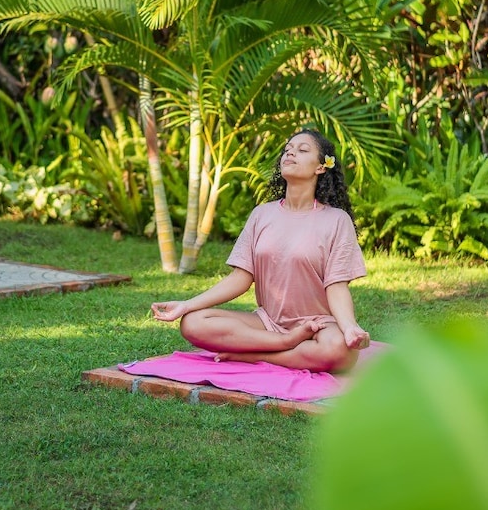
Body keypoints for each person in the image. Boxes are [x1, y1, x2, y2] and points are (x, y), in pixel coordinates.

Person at [151, 128, 370, 373]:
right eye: (288, 150)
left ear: (321, 167)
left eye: (302, 150)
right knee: (192, 323)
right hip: (267, 324)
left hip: (318, 324)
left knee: (339, 351)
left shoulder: (336, 220)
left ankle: (252, 356)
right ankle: (286, 343)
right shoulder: (262, 214)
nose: (290, 153)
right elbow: (240, 279)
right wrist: (187, 305)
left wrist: (349, 326)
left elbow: (336, 285)